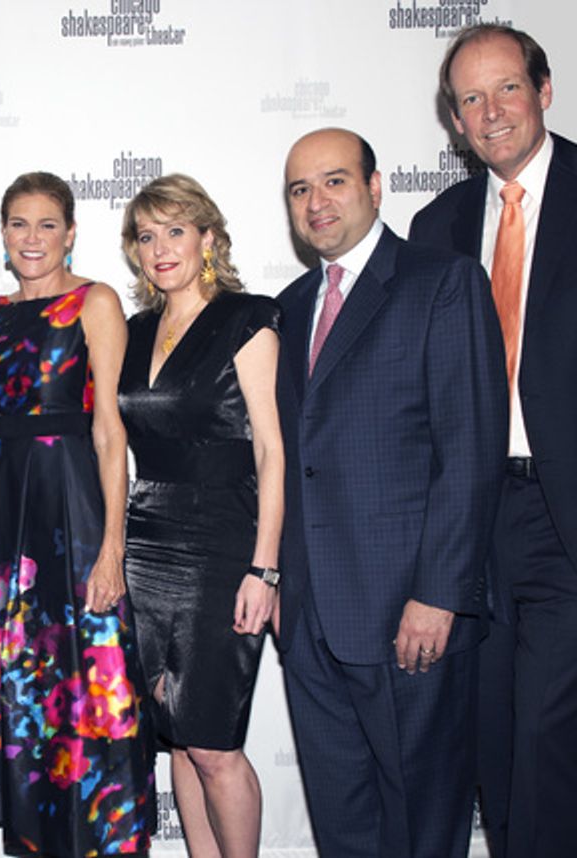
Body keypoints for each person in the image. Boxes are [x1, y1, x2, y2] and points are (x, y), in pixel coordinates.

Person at [274, 128, 506, 858]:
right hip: (312, 620)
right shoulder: (288, 305)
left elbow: (470, 451)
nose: (317, 201)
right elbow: (288, 459)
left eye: (334, 181)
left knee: (422, 824)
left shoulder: (441, 281)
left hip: (409, 613)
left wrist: (440, 594)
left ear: (376, 188)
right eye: (300, 189)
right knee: (344, 826)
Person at [0, 171, 154, 856]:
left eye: (47, 224)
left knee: (85, 679)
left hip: (72, 507)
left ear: (70, 232)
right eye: (19, 224)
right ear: (2, 234)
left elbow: (110, 430)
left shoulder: (94, 302)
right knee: (15, 684)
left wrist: (111, 546)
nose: (33, 238)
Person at [408, 24, 577, 858]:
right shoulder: (435, 227)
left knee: (546, 729)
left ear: (544, 90)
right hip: (471, 524)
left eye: (506, 88)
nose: (491, 111)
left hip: (561, 512)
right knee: (494, 734)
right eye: (470, 99)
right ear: (454, 121)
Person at [117, 174, 282, 858]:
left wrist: (264, 569)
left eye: (175, 231)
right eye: (146, 235)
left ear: (207, 238)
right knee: (176, 738)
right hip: (144, 539)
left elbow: (273, 450)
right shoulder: (132, 330)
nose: (160, 248)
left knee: (213, 743)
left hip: (224, 543)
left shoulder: (248, 318)